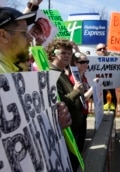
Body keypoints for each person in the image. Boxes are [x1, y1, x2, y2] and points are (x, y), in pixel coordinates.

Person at [45, 38, 85, 172]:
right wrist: (75, 92)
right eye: (63, 53)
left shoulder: (61, 72)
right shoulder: (51, 74)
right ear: (52, 54)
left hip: (73, 130)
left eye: (69, 53)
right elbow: (58, 103)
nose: (68, 55)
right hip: (65, 134)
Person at [69, 51, 93, 152]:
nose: (85, 64)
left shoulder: (83, 76)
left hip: (84, 112)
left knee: (81, 141)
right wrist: (94, 88)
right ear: (75, 63)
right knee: (78, 143)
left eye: (87, 61)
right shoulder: (74, 77)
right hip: (77, 114)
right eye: (82, 62)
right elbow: (83, 97)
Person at [95, 43, 117, 113]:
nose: (102, 50)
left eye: (104, 48)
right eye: (99, 49)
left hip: (111, 97)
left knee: (110, 121)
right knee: (99, 121)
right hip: (99, 98)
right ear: (96, 52)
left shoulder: (114, 63)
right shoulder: (92, 64)